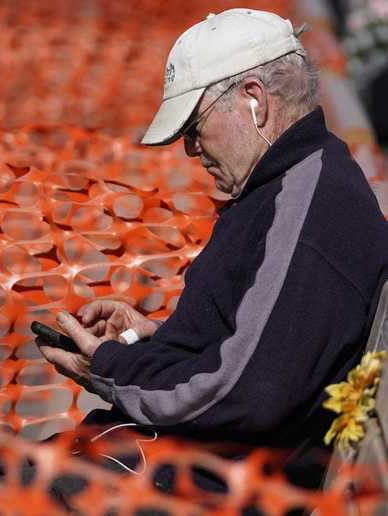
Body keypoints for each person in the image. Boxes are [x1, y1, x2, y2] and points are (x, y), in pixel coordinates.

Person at [38, 7, 388, 465]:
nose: (190, 148)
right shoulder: (287, 183)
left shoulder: (308, 202)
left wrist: (107, 364)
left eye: (193, 126)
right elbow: (260, 342)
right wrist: (151, 339)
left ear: (254, 100)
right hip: (156, 458)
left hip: (186, 482)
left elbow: (247, 391)